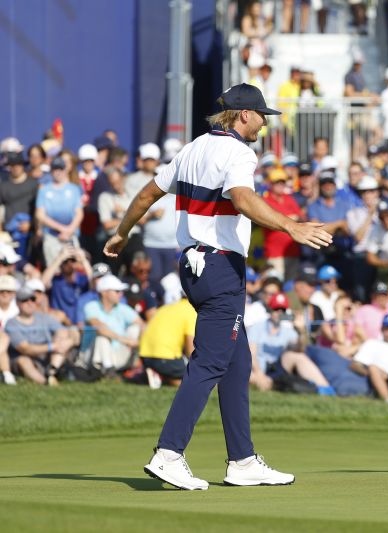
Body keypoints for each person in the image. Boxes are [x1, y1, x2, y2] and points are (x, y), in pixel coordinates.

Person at [103, 84, 332, 490]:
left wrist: (122, 232)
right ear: (243, 115)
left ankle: (242, 460)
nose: (264, 121)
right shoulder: (241, 152)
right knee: (210, 361)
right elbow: (242, 198)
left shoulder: (193, 147)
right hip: (220, 266)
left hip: (193, 266)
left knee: (237, 361)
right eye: (261, 115)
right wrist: (292, 225)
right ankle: (169, 453)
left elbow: (147, 194)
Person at [5, 286, 74, 386]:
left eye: (32, 299)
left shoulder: (44, 318)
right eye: (25, 300)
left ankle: (52, 372)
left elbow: (62, 330)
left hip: (47, 358)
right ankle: (45, 383)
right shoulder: (11, 323)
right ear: (18, 303)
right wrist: (52, 346)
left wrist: (66, 341)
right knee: (23, 361)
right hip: (25, 358)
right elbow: (25, 349)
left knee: (63, 337)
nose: (30, 303)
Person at [138, 294, 196, 388]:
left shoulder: (167, 307)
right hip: (165, 357)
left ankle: (157, 374)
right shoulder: (191, 311)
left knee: (182, 375)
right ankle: (160, 376)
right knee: (197, 381)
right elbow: (191, 348)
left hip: (145, 356)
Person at [35, 156, 84, 266]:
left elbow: (79, 213)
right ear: (51, 171)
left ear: (65, 170)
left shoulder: (74, 189)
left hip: (71, 236)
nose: (58, 172)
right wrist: (62, 229)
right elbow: (40, 214)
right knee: (53, 269)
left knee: (75, 268)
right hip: (52, 237)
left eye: (60, 169)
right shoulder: (44, 190)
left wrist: (69, 230)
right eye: (55, 169)